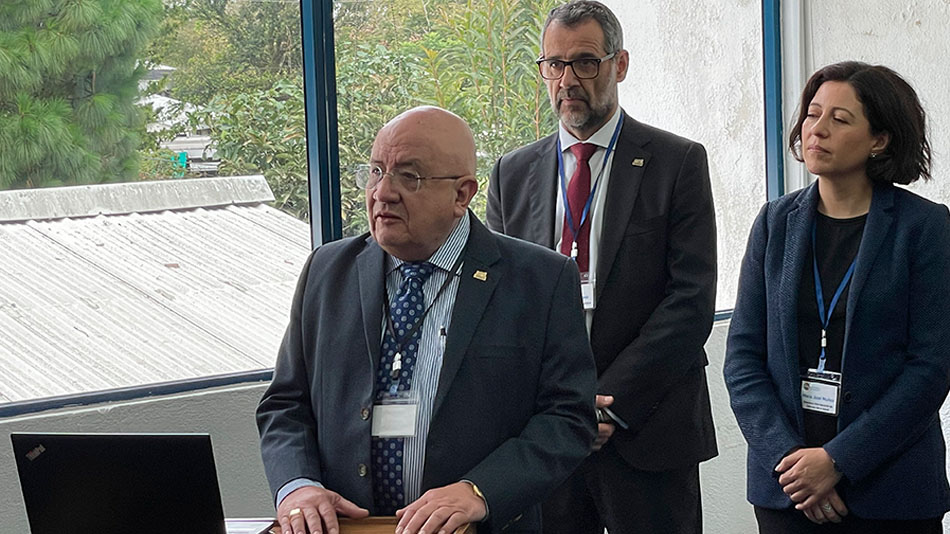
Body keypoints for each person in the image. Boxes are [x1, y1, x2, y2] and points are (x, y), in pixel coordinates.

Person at [257, 106, 597, 534]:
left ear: (462, 195)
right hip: (350, 528)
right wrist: (297, 486)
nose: (383, 193)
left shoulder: (538, 280)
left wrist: (480, 491)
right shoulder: (327, 271)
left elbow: (568, 419)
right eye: (376, 171)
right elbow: (286, 403)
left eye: (408, 177)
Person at [486, 2, 717, 533]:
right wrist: (564, 408)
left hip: (649, 428)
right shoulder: (511, 173)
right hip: (546, 435)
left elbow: (690, 301)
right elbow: (502, 304)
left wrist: (609, 404)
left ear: (620, 64)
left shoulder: (676, 161)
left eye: (585, 62)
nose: (567, 80)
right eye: (554, 64)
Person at [724, 61, 950, 533]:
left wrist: (839, 459)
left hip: (890, 490)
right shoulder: (773, 223)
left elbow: (932, 366)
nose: (817, 130)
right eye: (812, 114)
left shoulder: (926, 228)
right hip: (788, 492)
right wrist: (791, 462)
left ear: (880, 139)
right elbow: (743, 358)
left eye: (839, 119)